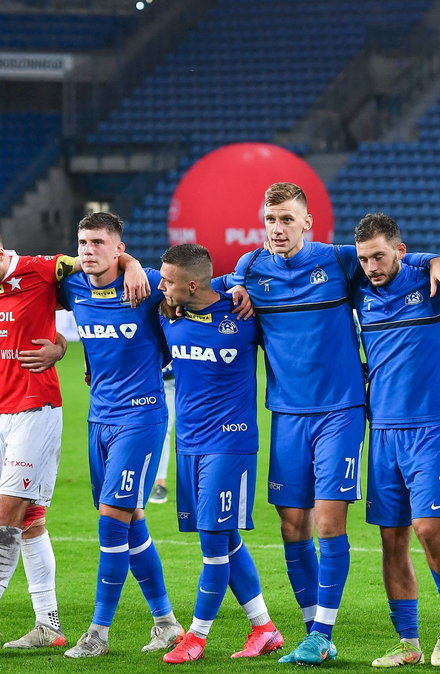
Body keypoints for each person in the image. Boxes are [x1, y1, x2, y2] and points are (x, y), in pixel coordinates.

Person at [221, 182, 440, 665]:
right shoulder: (252, 270)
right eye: (270, 219)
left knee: (329, 524)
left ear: (307, 222)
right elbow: (205, 282)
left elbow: (390, 256)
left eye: (288, 219)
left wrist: (434, 260)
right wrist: (230, 283)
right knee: (292, 528)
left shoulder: (339, 260)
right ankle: (314, 631)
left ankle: (323, 633)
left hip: (341, 412)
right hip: (285, 413)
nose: (278, 228)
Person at [0, 217, 148, 650]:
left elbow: (96, 261)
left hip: (36, 409)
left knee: (9, 515)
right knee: (28, 522)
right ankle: (48, 625)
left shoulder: (42, 269)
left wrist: (133, 264)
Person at [57, 212, 182, 658]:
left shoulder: (144, 284)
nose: (87, 250)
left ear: (117, 247)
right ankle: (166, 623)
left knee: (111, 521)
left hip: (142, 418)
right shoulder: (71, 285)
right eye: (82, 242)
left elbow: (186, 284)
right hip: (99, 420)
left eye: (97, 242)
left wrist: (133, 267)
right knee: (132, 525)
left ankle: (98, 633)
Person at [352, 213, 440, 668]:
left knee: (427, 528)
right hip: (381, 431)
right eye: (364, 258)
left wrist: (434, 258)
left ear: (399, 251)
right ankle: (408, 643)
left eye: (379, 255)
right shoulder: (358, 290)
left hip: (431, 428)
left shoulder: (429, 282)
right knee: (392, 540)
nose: (371, 266)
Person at [156, 243, 282, 663]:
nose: (161, 286)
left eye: (169, 281)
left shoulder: (244, 315)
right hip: (189, 442)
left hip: (230, 442)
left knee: (212, 540)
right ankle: (264, 628)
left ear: (193, 284)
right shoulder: (166, 313)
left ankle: (197, 636)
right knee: (225, 538)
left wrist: (240, 284)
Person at [148, 365, 175, 505]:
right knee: (162, 430)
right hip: (162, 380)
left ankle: (203, 484)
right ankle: (160, 483)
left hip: (194, 378)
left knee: (202, 429)